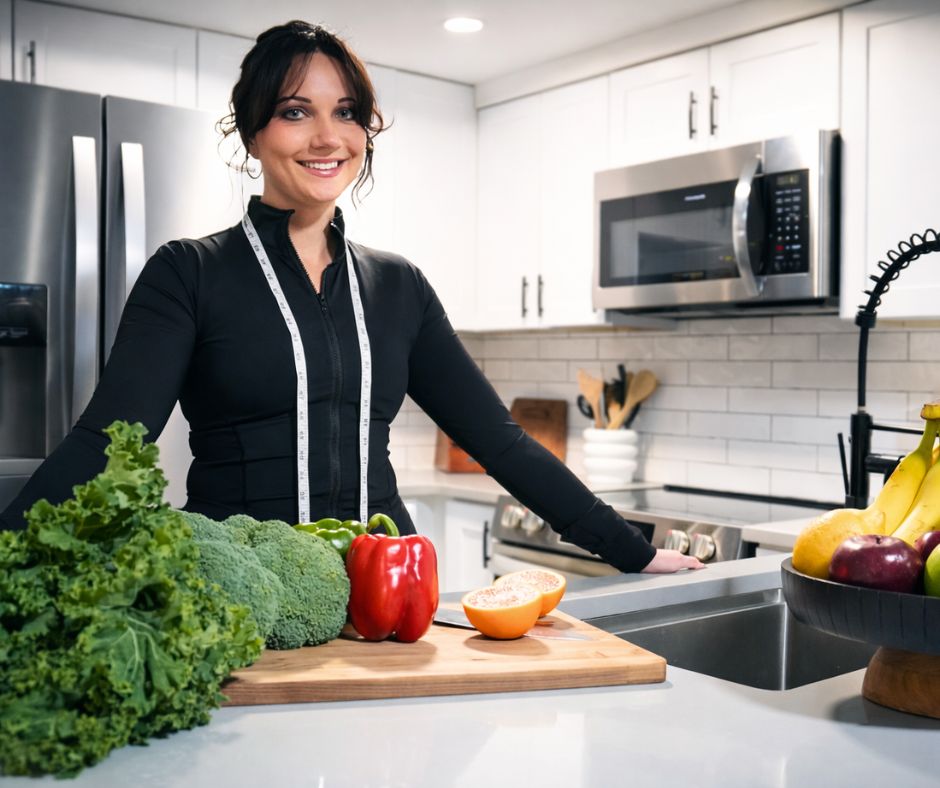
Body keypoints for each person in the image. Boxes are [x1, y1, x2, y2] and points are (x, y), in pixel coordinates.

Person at [0, 21, 702, 575]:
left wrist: (632, 551)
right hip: (235, 588)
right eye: (296, 112)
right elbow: (105, 443)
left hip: (389, 589)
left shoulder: (398, 285)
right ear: (253, 132)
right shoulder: (188, 273)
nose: (328, 137)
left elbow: (500, 441)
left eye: (347, 112)